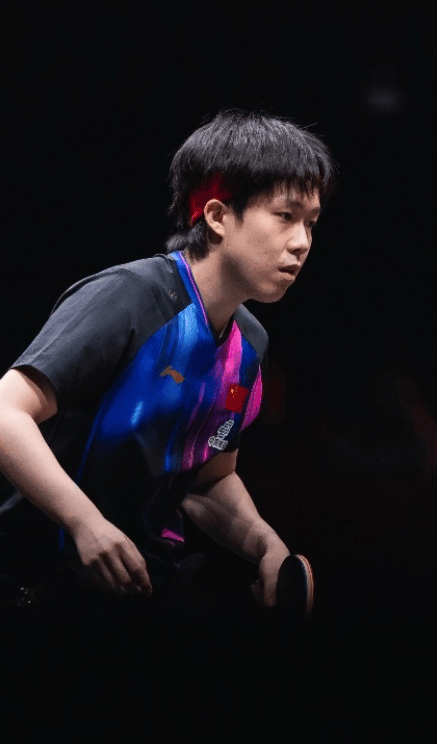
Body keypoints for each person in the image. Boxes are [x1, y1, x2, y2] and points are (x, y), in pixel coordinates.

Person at [0, 110, 337, 619]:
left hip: (145, 583)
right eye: (285, 216)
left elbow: (207, 478)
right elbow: (8, 413)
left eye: (310, 223)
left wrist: (265, 544)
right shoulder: (129, 298)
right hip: (40, 583)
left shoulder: (250, 343)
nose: (302, 242)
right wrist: (84, 522)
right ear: (218, 216)